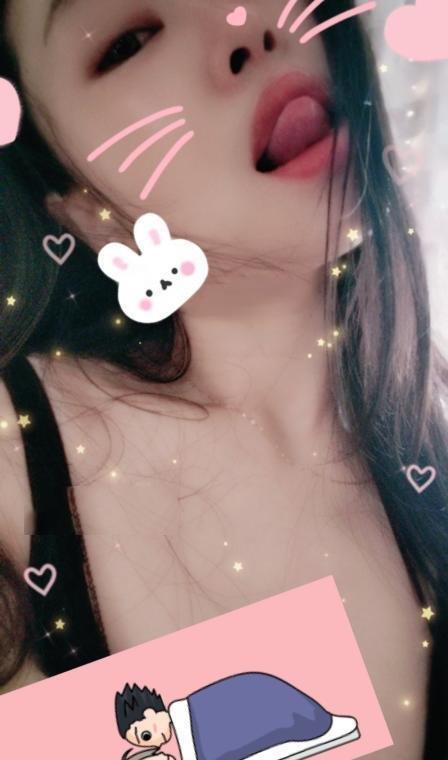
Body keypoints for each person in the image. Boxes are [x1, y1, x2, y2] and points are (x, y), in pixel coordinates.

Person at [0, 1, 447, 758]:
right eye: (129, 42)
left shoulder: (427, 449)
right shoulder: (18, 467)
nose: (245, 26)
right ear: (80, 212)